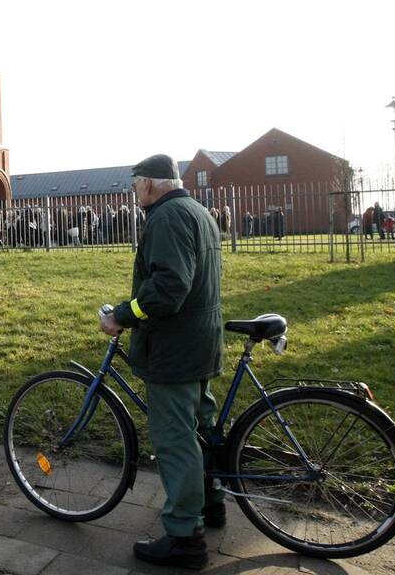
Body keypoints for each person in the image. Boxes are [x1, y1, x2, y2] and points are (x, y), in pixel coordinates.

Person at [100, 154, 224, 571]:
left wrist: (122, 315)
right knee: (202, 427)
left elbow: (169, 287)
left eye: (135, 185)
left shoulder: (167, 218)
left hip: (175, 349)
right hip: (202, 341)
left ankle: (185, 538)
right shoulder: (197, 211)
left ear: (150, 184)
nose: (134, 193)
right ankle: (212, 503)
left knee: (175, 440)